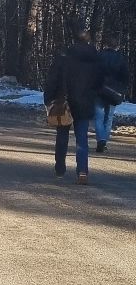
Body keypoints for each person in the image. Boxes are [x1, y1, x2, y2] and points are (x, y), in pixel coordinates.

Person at [44, 25, 100, 183]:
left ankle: (60, 169)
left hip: (64, 101)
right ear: (88, 40)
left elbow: (52, 79)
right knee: (82, 138)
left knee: (62, 135)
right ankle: (82, 171)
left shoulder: (64, 57)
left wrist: (48, 99)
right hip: (85, 102)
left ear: (74, 40)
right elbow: (100, 81)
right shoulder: (95, 59)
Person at [95, 35, 130, 154]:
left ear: (105, 45)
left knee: (98, 117)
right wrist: (121, 88)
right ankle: (104, 141)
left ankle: (101, 140)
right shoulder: (120, 59)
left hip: (99, 90)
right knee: (108, 117)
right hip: (113, 92)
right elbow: (126, 77)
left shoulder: (99, 56)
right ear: (117, 46)